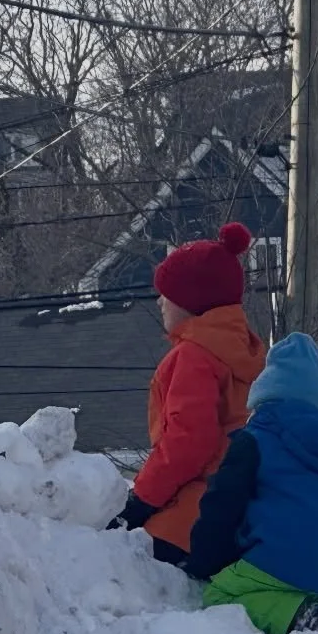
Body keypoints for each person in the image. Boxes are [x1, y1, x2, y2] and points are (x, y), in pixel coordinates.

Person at [184, 332, 318, 634]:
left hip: (283, 558)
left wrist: (203, 562)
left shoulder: (256, 440)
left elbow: (222, 504)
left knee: (221, 597)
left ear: (263, 394)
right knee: (312, 587)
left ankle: (300, 617)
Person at [108, 223, 266, 564]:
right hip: (239, 513)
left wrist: (144, 500)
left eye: (168, 293)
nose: (160, 301)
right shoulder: (247, 348)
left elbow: (188, 441)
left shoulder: (194, 355)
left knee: (118, 563)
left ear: (193, 302)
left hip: (191, 520)